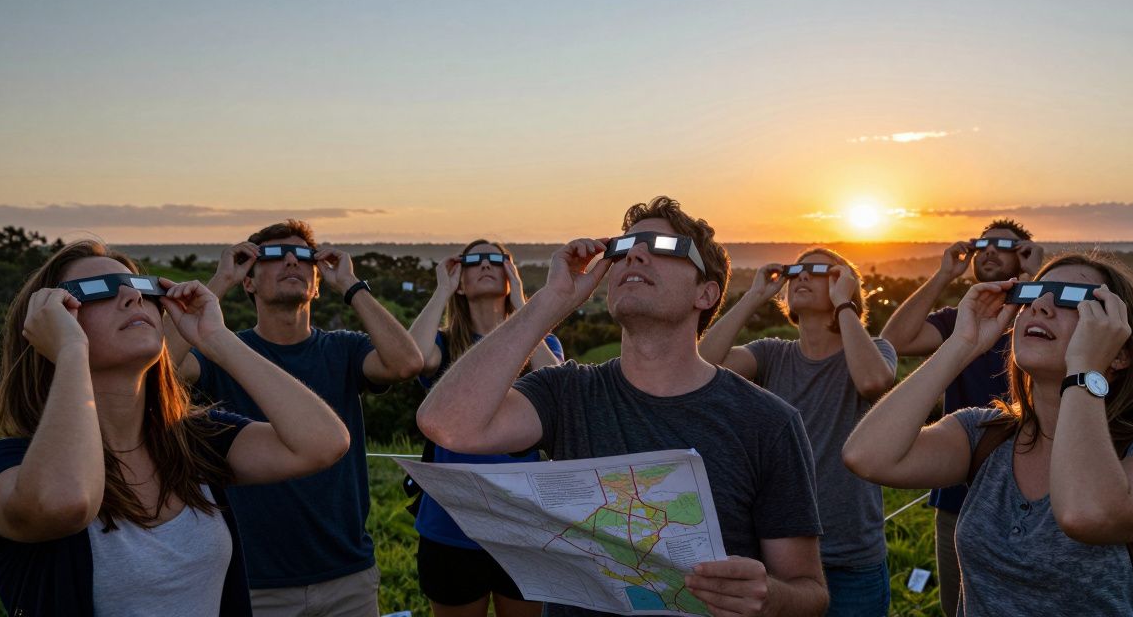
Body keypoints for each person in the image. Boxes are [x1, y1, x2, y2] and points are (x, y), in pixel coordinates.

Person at [417, 196, 829, 617]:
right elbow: (447, 424)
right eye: (623, 248)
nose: (634, 253)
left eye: (663, 247)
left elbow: (810, 592)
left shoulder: (768, 422)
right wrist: (549, 301)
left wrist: (769, 597)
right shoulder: (568, 392)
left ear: (705, 293)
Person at [0, 240, 350, 616]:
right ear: (48, 325)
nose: (132, 297)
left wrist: (215, 338)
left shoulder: (192, 440)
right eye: (95, 291)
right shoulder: (1, 468)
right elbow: (66, 502)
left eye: (142, 288)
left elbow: (323, 443)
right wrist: (70, 352)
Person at [844, 253, 1133, 616]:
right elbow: (867, 456)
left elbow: (1086, 514)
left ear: (1121, 351)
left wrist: (1084, 369)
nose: (1042, 306)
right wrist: (962, 345)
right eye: (1034, 293)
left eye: (1071, 298)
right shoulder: (984, 435)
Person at [167, 219, 424, 616]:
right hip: (254, 579)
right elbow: (158, 372)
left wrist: (351, 285)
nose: (291, 260)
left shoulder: (343, 350)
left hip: (347, 574)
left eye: (304, 256)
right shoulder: (224, 353)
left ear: (317, 284)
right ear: (248, 283)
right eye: (272, 255)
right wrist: (218, 284)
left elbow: (407, 363)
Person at [699, 249, 896, 617]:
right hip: (782, 557)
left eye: (820, 270)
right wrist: (754, 296)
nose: (803, 275)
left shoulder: (875, 351)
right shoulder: (772, 355)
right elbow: (701, 365)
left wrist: (845, 306)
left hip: (851, 560)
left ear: (844, 286)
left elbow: (872, 382)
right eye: (797, 270)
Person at [878, 218, 1041, 614]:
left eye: (1002, 245)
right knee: (959, 607)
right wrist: (943, 274)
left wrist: (1036, 278)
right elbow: (894, 341)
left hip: (1036, 494)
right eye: (981, 244)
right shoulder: (958, 321)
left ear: (1022, 255)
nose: (987, 251)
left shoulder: (1042, 320)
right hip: (959, 495)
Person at [407, 239, 563, 617]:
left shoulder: (543, 343)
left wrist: (525, 308)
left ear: (510, 275)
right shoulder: (443, 345)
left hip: (525, 523)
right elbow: (409, 357)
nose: (486, 265)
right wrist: (442, 289)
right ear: (461, 279)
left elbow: (560, 388)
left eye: (497, 259)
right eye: (473, 261)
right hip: (452, 524)